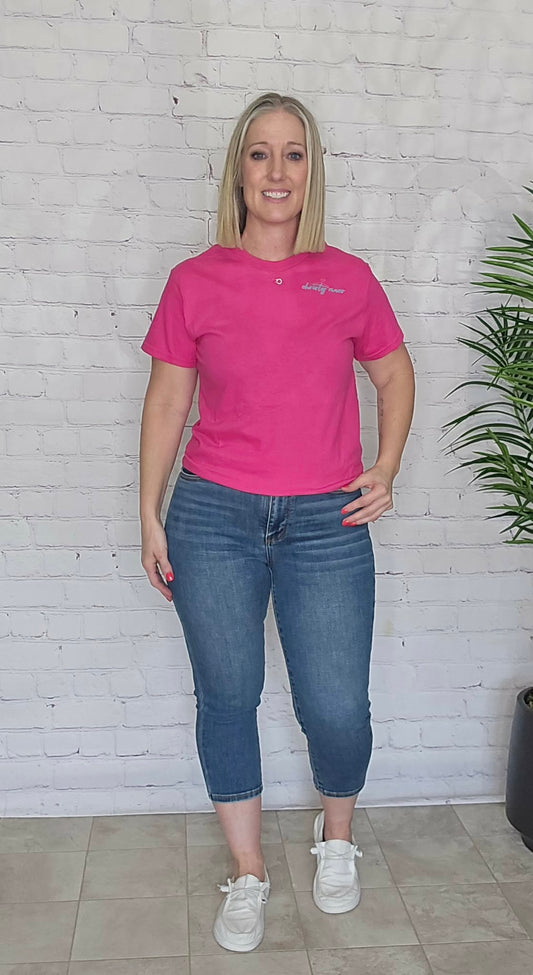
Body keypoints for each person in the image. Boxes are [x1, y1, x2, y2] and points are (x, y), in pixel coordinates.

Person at [139, 91, 415, 953]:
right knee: (227, 697)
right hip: (212, 515)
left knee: (334, 704)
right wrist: (148, 510)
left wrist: (385, 467)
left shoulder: (348, 278)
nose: (276, 171)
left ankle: (337, 835)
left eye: (293, 153)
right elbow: (167, 403)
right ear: (238, 169)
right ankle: (249, 870)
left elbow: (394, 374)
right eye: (259, 153)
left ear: (310, 170)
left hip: (327, 521)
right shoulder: (194, 281)